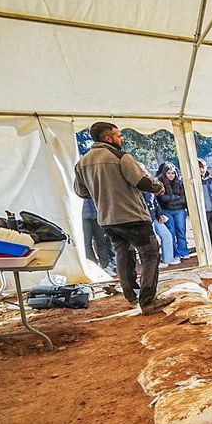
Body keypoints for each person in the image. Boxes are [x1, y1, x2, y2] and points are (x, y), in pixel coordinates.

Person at [72, 121, 168, 314]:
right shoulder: (120, 156)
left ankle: (132, 297)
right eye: (118, 135)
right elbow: (141, 181)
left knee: (123, 256)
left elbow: (81, 192)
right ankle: (148, 301)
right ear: (108, 138)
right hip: (132, 215)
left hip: (107, 218)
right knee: (150, 254)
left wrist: (102, 191)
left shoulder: (82, 163)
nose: (121, 138)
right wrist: (157, 186)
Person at [156, 163, 189, 260]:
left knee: (181, 231)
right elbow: (161, 198)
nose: (171, 175)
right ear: (164, 173)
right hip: (167, 211)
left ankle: (183, 251)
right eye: (169, 173)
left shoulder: (180, 183)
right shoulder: (160, 183)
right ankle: (175, 253)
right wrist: (174, 198)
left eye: (173, 173)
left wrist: (170, 201)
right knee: (171, 232)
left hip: (180, 210)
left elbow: (183, 199)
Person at [81, 197, 114, 274]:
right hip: (83, 216)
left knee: (101, 242)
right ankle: (93, 267)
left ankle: (105, 265)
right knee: (86, 244)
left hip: (97, 213)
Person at [146, 190, 176, 267]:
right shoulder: (138, 189)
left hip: (155, 216)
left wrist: (159, 214)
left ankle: (168, 259)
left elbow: (155, 203)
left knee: (167, 235)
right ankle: (155, 263)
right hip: (146, 218)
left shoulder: (149, 190)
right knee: (152, 240)